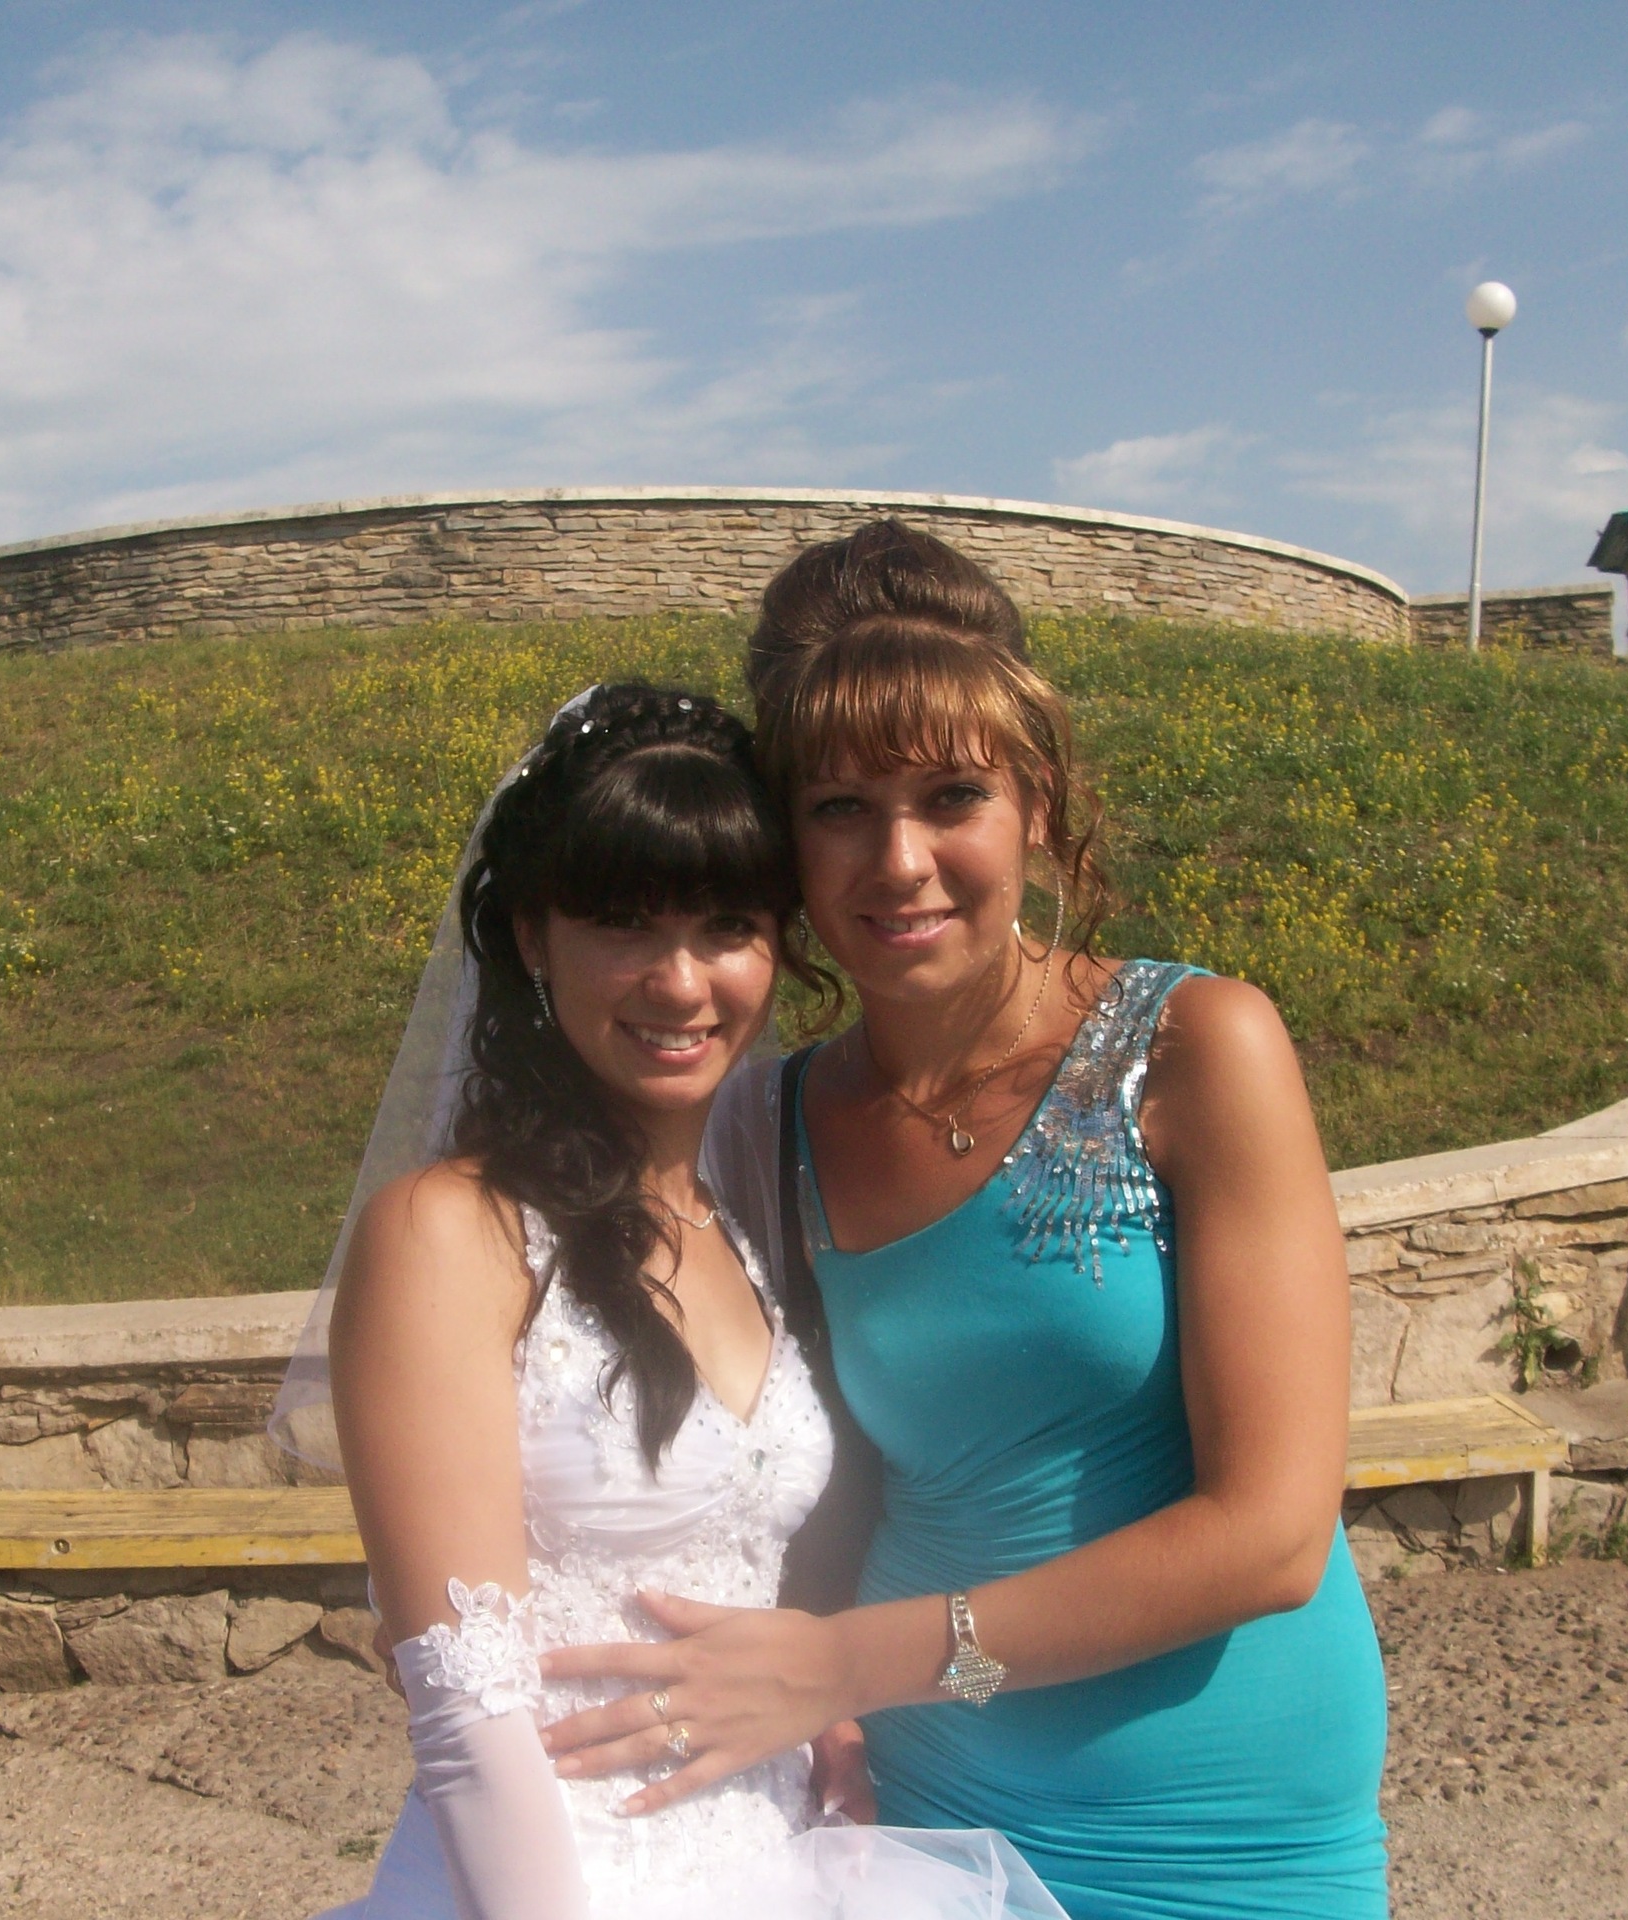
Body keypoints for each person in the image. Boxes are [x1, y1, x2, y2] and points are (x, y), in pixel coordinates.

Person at [537, 527, 1391, 1920]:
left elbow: (1273, 1534)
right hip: (923, 1808)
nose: (900, 861)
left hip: (1222, 1828)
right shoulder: (768, 1120)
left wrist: (842, 1666)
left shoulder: (1195, 1048)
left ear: (1037, 805)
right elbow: (801, 1467)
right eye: (839, 808)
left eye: (952, 797)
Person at [299, 682, 1065, 1920]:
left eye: (725, 926)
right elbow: (464, 1707)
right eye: (622, 924)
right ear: (533, 939)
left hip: (778, 1860)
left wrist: (830, 1724)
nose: (679, 981)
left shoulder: (735, 1219)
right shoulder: (449, 1233)